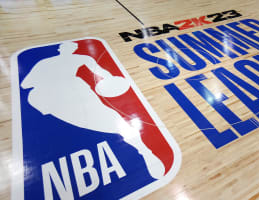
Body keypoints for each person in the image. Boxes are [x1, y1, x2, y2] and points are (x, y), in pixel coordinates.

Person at [21, 41, 165, 179]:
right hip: (68, 95)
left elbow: (26, 84)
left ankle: (145, 151)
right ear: (65, 50)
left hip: (70, 95)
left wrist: (111, 80)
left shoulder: (48, 63)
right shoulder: (62, 61)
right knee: (108, 120)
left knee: (111, 119)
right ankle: (144, 151)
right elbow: (26, 85)